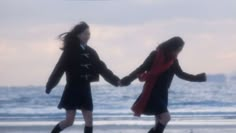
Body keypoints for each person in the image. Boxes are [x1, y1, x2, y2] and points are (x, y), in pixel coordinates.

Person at [120, 36, 207, 133]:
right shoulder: (155, 55)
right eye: (178, 49)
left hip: (163, 94)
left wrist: (198, 78)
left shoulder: (173, 61)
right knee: (166, 118)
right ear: (173, 47)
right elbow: (141, 69)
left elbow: (181, 74)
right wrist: (127, 79)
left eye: (180, 50)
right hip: (152, 92)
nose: (178, 52)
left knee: (159, 123)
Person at [45, 21, 120, 133]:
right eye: (85, 33)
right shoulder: (69, 51)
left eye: (89, 34)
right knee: (69, 121)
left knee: (89, 120)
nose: (87, 36)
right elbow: (58, 69)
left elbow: (102, 68)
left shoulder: (91, 52)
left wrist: (116, 80)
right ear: (78, 35)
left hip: (85, 89)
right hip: (72, 89)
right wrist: (50, 85)